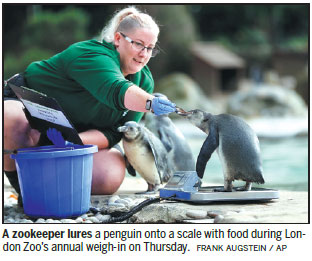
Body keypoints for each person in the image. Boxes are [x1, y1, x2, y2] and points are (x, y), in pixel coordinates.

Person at [3, 6, 176, 203]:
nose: (144, 54)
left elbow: (114, 132)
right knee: (9, 118)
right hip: (27, 109)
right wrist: (150, 102)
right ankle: (23, 189)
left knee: (109, 173)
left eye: (150, 48)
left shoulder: (144, 81)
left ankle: (48, 185)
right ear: (118, 39)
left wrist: (70, 143)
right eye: (138, 44)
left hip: (70, 134)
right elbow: (115, 89)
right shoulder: (92, 55)